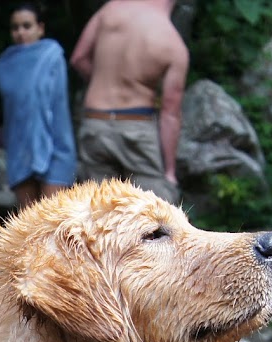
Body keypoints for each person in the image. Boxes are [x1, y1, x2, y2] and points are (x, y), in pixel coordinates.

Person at [69, 0, 186, 204]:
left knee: (100, 212)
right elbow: (169, 113)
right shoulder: (172, 44)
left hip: (96, 122)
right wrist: (169, 171)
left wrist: (100, 79)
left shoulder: (111, 10)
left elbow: (79, 58)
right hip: (136, 125)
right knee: (156, 210)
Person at [0, 2, 77, 211]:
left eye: (27, 26)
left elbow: (55, 104)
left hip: (57, 146)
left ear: (40, 28)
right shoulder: (4, 65)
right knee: (29, 229)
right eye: (15, 27)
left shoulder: (51, 56)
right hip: (20, 149)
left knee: (53, 222)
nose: (21, 32)